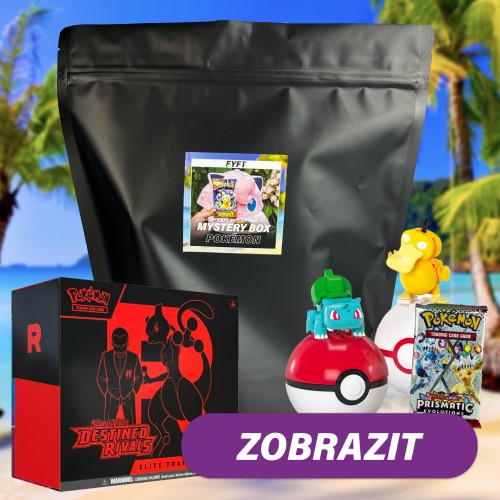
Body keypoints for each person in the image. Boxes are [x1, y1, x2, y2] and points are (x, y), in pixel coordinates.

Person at [96, 328, 142, 424]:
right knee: (108, 426)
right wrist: (107, 391)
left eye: (123, 345)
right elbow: (100, 377)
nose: (120, 349)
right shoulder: (105, 356)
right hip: (111, 395)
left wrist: (134, 391)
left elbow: (139, 376)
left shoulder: (134, 357)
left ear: (127, 343)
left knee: (132, 426)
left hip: (129, 395)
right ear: (112, 344)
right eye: (117, 345)